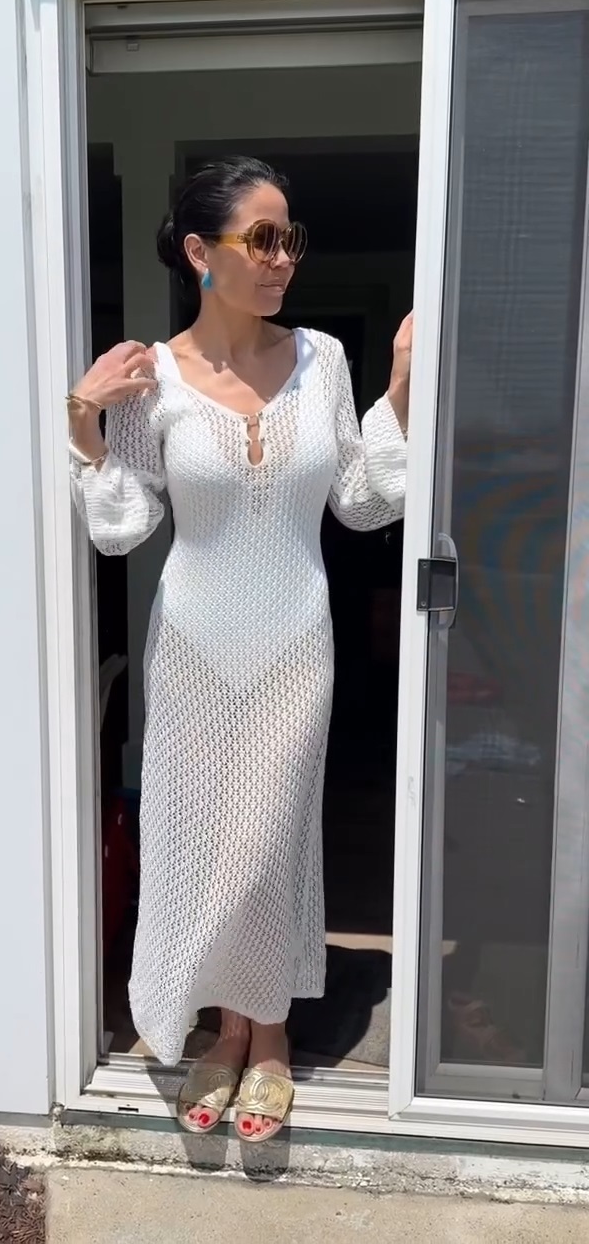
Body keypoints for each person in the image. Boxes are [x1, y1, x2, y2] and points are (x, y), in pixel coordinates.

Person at [67, 156, 412, 1144]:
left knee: (268, 840)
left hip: (296, 642)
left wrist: (397, 387)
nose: (282, 257)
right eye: (262, 238)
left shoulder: (322, 360)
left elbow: (361, 500)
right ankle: (227, 1030)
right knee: (204, 842)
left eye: (290, 238)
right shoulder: (154, 376)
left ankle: (270, 1034)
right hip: (193, 648)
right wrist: (86, 421)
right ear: (199, 252)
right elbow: (123, 528)